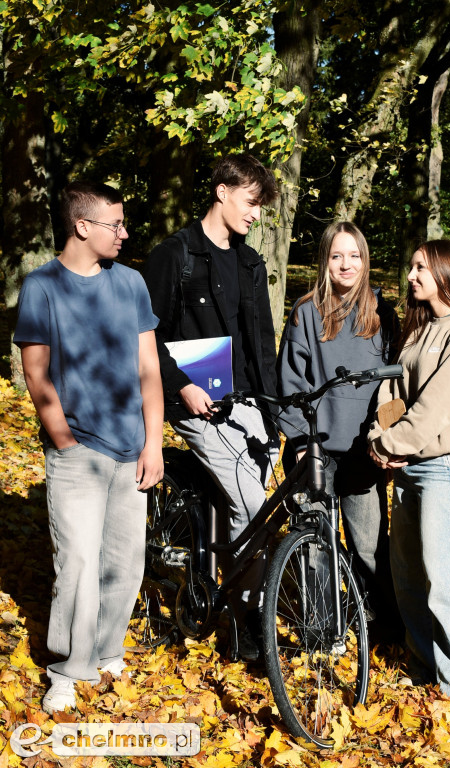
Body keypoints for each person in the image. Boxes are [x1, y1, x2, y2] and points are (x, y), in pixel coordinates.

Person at [14, 181, 164, 714]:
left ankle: (105, 650)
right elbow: (36, 372)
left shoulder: (132, 284)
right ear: (83, 226)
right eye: (114, 225)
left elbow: (149, 368)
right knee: (76, 562)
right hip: (78, 451)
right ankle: (67, 668)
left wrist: (155, 443)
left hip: (131, 450)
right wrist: (63, 439)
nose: (124, 233)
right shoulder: (42, 287)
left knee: (124, 561)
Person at [143, 154, 280, 661]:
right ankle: (250, 625)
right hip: (196, 404)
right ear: (222, 191)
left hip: (248, 406)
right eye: (251, 202)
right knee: (254, 506)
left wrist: (274, 410)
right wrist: (181, 387)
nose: (256, 214)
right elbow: (146, 339)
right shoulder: (173, 255)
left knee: (250, 507)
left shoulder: (250, 262)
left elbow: (261, 344)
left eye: (261, 206)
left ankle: (238, 607)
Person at [368, 239, 450, 714]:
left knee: (441, 581)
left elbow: (433, 410)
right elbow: (393, 393)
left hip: (443, 470)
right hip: (408, 467)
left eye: (421, 267)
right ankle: (427, 667)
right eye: (412, 266)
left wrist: (386, 446)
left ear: (447, 272)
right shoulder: (422, 328)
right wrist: (376, 434)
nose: (411, 275)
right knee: (407, 576)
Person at [277, 220, 403, 642]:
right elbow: (289, 385)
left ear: (365, 261)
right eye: (337, 256)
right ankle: (320, 628)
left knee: (368, 544)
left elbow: (394, 388)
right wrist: (298, 441)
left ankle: (379, 626)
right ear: (325, 262)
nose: (346, 264)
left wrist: (387, 441)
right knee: (315, 544)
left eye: (354, 256)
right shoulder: (306, 312)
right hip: (315, 450)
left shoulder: (383, 315)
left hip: (363, 451)